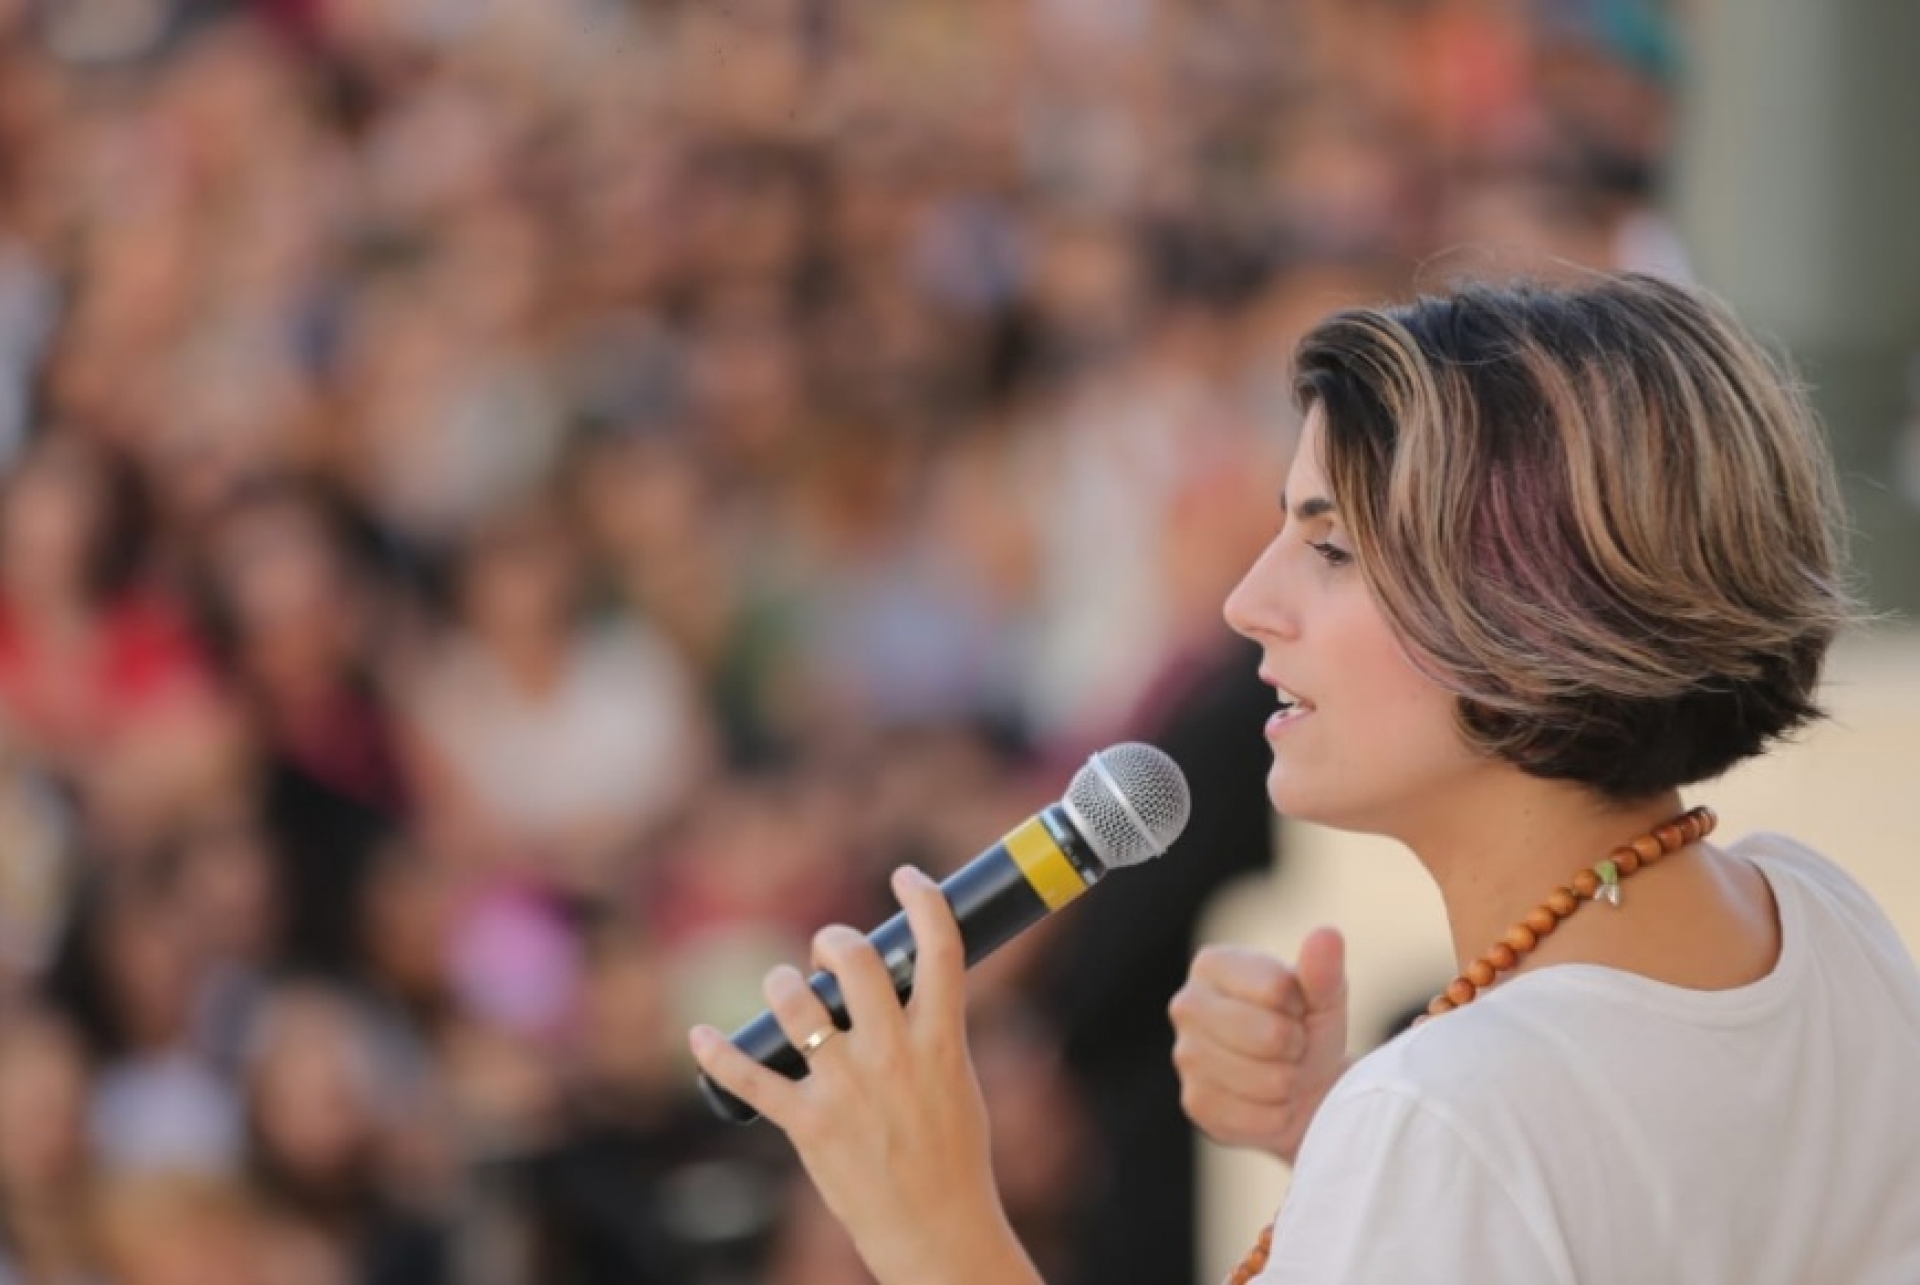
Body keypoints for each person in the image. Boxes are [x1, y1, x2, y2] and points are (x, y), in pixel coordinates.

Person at [687, 272, 1920, 1283]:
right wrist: (1339, 1150)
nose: (1248, 600)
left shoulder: (1452, 1118)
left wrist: (935, 1228)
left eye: (1329, 547)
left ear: (1528, 616)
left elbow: (1520, 1149)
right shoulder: (1819, 920)